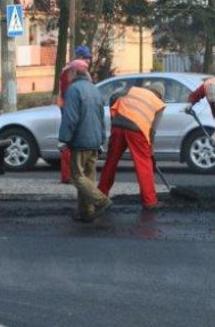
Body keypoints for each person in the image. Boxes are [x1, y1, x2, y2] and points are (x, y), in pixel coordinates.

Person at [98, 81, 166, 210]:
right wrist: (151, 151)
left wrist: (115, 125)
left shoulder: (133, 91)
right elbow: (152, 131)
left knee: (111, 162)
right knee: (144, 165)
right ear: (161, 95)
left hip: (118, 124)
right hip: (136, 130)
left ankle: (100, 195)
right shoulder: (159, 104)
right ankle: (150, 201)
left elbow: (114, 97)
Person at [59, 63, 111, 222]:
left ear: (73, 75)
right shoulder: (95, 90)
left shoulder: (73, 91)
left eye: (68, 76)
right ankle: (86, 212)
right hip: (94, 140)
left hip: (80, 141)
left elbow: (70, 117)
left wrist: (64, 139)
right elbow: (101, 117)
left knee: (77, 177)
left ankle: (101, 200)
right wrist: (101, 138)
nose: (66, 79)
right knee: (88, 178)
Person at [57, 45, 94, 184]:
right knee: (70, 141)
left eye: (89, 58)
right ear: (78, 57)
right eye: (85, 58)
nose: (88, 61)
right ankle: (68, 175)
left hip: (68, 107)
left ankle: (71, 174)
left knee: (71, 141)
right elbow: (73, 93)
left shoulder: (70, 69)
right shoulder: (75, 69)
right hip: (70, 108)